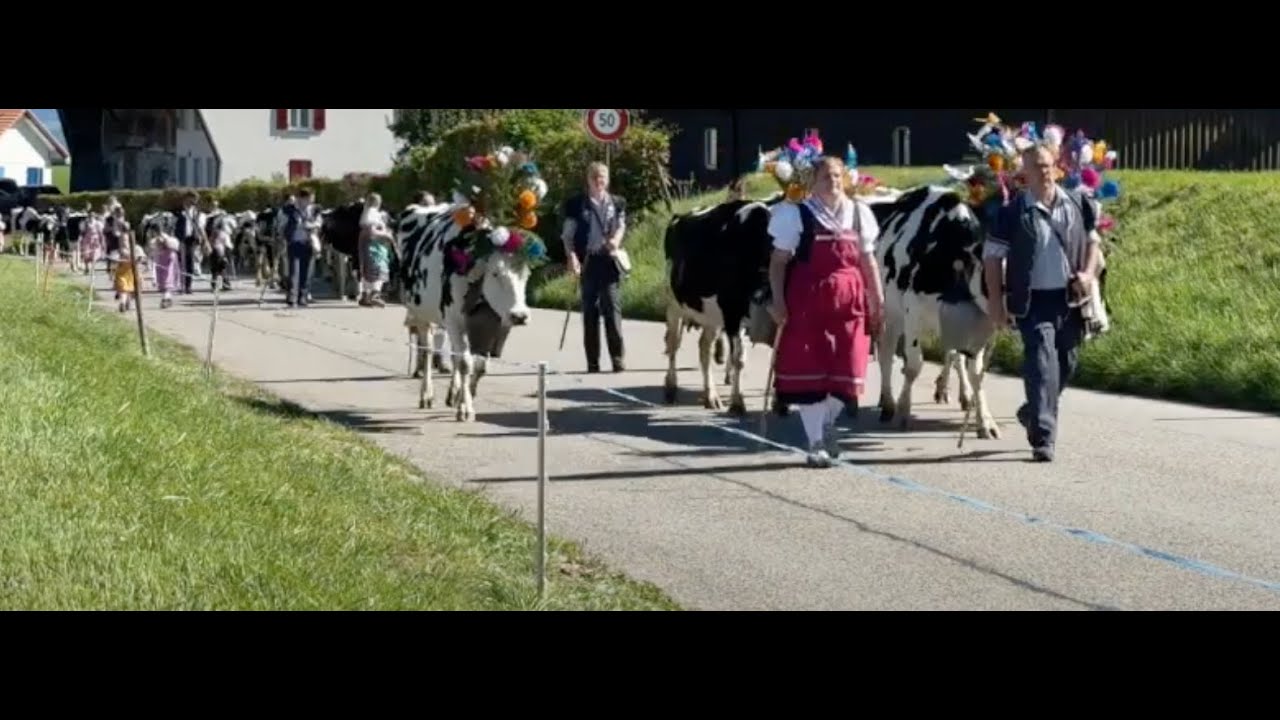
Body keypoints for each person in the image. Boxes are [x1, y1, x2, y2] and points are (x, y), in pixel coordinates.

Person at [983, 143, 1102, 463]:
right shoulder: (1012, 213)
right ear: (1025, 173)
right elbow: (992, 259)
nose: (1045, 171)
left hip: (1070, 299)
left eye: (1048, 165)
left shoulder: (1078, 203)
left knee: (1067, 363)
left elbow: (1094, 243)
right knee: (1040, 361)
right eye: (1037, 166)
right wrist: (996, 302)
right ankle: (1043, 437)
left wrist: (1088, 275)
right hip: (1031, 300)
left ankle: (1032, 411)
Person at [766, 156, 884, 468]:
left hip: (850, 299)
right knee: (811, 369)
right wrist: (777, 300)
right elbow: (778, 262)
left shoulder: (859, 213)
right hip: (807, 298)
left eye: (836, 175)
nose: (832, 181)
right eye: (825, 176)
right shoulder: (797, 214)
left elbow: (868, 260)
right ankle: (815, 441)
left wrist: (878, 298)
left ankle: (829, 422)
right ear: (812, 182)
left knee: (851, 363)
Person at [561, 162, 628, 373]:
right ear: (588, 180)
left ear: (607, 180)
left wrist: (616, 240)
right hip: (588, 260)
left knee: (612, 309)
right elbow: (567, 235)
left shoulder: (617, 203)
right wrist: (572, 257)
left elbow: (621, 225)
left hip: (608, 260)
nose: (599, 182)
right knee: (590, 312)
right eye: (595, 178)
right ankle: (593, 361)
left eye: (603, 178)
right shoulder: (577, 205)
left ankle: (617, 359)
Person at [279, 189, 321, 307]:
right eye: (308, 199)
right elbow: (282, 225)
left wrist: (310, 225)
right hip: (294, 243)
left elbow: (319, 223)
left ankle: (303, 297)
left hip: (308, 243)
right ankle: (292, 297)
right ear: (301, 199)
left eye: (311, 199)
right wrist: (283, 238)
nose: (310, 201)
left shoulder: (314, 210)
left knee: (306, 272)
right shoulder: (289, 210)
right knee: (294, 272)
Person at [358, 193, 391, 307]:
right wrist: (386, 235)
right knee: (378, 268)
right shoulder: (373, 213)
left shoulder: (366, 212)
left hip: (368, 244)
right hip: (375, 245)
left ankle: (366, 295)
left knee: (368, 269)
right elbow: (371, 231)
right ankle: (374, 294)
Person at [174, 191, 203, 294]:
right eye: (192, 199)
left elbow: (197, 224)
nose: (194, 202)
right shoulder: (178, 210)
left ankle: (188, 286)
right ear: (186, 198)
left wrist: (199, 236)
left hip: (191, 239)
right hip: (180, 238)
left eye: (195, 200)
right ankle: (180, 286)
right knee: (180, 262)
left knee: (189, 262)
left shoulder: (195, 211)